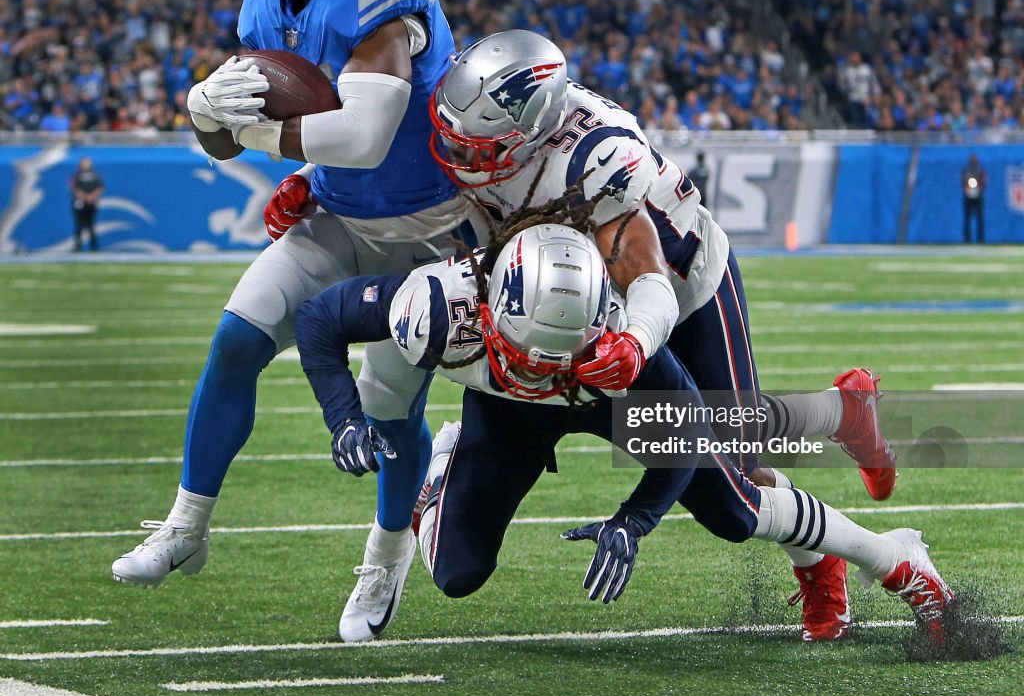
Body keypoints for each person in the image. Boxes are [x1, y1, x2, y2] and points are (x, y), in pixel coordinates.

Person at [112, 0, 477, 643]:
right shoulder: (263, 7)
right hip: (339, 218)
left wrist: (246, 127)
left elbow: (367, 132)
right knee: (236, 336)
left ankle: (387, 554)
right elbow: (226, 146)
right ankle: (186, 524)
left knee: (388, 407)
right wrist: (202, 108)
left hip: (430, 234)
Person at [422, 29, 898, 641]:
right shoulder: (487, 129)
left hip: (679, 284)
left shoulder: (599, 155)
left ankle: (833, 478)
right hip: (579, 300)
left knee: (737, 461)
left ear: (535, 131)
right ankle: (842, 419)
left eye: (481, 143)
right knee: (722, 454)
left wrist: (636, 344)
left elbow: (648, 280)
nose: (461, 154)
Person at [293, 219, 956, 644]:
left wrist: (634, 518)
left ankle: (893, 558)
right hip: (506, 412)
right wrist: (343, 416)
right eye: (535, 353)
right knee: (458, 572)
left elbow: (688, 428)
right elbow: (321, 319)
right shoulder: (441, 304)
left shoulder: (619, 341)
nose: (544, 367)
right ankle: (445, 470)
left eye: (564, 350)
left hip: (621, 370)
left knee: (734, 501)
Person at [69, 157, 103, 251]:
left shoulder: (95, 175)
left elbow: (100, 188)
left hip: (90, 204)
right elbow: (73, 188)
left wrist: (90, 197)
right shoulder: (76, 175)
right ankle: (78, 246)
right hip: (80, 203)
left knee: (91, 226)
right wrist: (86, 197)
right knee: (79, 226)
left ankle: (94, 247)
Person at [962, 153, 987, 243]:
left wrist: (979, 188)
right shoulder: (966, 170)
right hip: (968, 196)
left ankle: (981, 240)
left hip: (978, 196)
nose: (973, 161)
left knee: (980, 218)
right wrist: (967, 189)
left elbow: (984, 182)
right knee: (967, 218)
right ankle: (967, 240)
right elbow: (963, 181)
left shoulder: (980, 170)